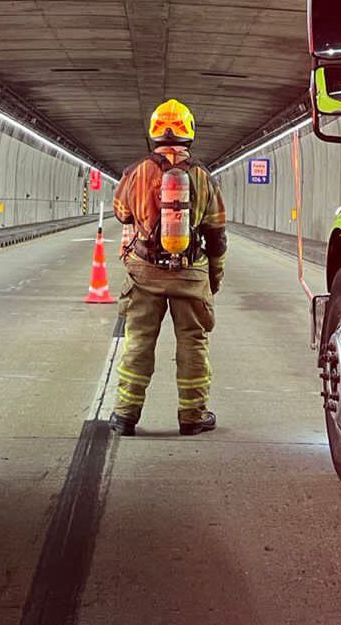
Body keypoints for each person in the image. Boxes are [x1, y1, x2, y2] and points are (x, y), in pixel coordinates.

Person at [108, 99, 227, 436]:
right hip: (190, 276)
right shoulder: (204, 177)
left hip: (144, 274)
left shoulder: (136, 172)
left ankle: (124, 415)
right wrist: (213, 279)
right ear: (189, 132)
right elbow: (217, 235)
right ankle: (192, 416)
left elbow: (122, 213)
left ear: (154, 132)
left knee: (138, 342)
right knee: (193, 343)